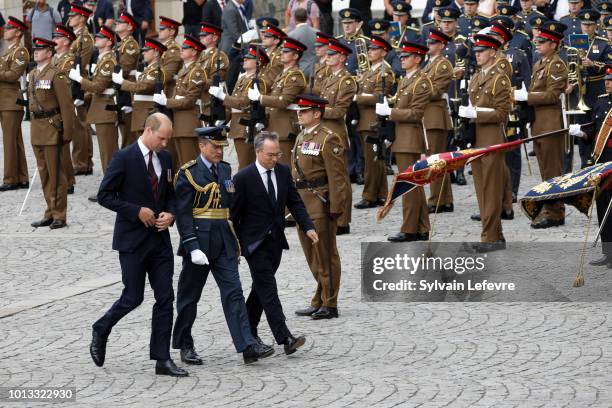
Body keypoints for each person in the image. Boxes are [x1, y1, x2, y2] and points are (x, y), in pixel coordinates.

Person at [91, 113, 187, 377]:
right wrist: (135, 211)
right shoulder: (124, 158)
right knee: (133, 297)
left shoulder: (165, 158)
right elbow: (105, 195)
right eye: (162, 138)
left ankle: (162, 358)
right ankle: (102, 327)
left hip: (159, 241)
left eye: (168, 139)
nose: (165, 144)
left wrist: (171, 213)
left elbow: (171, 194)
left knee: (165, 297)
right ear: (148, 130)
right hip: (132, 240)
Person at [172, 126, 275, 365]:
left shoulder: (226, 169)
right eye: (215, 147)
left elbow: (231, 207)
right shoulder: (188, 173)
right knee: (189, 297)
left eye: (221, 147)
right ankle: (185, 344)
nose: (219, 151)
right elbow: (184, 213)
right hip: (200, 240)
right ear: (201, 146)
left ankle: (247, 345)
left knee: (234, 293)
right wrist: (191, 245)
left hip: (224, 240)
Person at [231, 131, 316, 353]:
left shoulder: (283, 172)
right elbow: (233, 215)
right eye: (270, 155)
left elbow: (295, 202)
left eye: (277, 154)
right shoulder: (243, 178)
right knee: (269, 288)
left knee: (260, 288)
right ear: (258, 152)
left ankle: (248, 329)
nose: (275, 158)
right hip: (253, 244)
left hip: (275, 241)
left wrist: (308, 227)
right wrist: (239, 244)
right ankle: (285, 338)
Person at [291, 94, 349, 319]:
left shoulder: (328, 138)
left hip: (320, 202)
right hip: (302, 202)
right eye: (299, 110)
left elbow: (337, 177)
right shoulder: (301, 136)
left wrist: (336, 207)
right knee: (311, 255)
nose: (300, 113)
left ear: (317, 113)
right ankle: (320, 298)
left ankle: (330, 303)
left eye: (304, 111)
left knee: (324, 254)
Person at [458, 34, 511, 252]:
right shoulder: (476, 77)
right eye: (476, 51)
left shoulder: (500, 79)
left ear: (493, 53)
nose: (477, 55)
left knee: (491, 188)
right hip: (476, 138)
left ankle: (490, 237)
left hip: (492, 138)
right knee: (481, 188)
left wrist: (476, 112)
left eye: (482, 51)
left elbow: (502, 113)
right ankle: (494, 236)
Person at [376, 42, 432, 243]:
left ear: (418, 59)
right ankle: (423, 227)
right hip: (402, 137)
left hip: (410, 139)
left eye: (406, 56)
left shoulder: (421, 82)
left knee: (408, 185)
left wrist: (391, 112)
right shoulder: (405, 80)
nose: (402, 59)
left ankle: (409, 229)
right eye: (401, 57)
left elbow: (416, 113)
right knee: (413, 185)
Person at [515, 24, 568, 229]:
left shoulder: (556, 64)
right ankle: (548, 208)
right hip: (539, 123)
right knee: (545, 170)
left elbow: (552, 95)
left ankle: (555, 213)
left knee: (552, 171)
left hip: (550, 123)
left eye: (542, 41)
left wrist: (527, 96)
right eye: (537, 41)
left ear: (554, 44)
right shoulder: (540, 63)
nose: (537, 44)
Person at [28, 37, 75, 230]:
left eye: (41, 49)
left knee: (57, 174)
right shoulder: (32, 74)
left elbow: (66, 105)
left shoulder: (57, 75)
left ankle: (59, 214)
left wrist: (68, 132)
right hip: (37, 128)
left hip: (52, 127)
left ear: (49, 53)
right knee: (44, 174)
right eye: (35, 49)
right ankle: (49, 210)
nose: (36, 52)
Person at [69, 24, 119, 204]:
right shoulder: (102, 59)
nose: (96, 39)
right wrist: (83, 97)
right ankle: (110, 189)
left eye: (100, 37)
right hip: (100, 109)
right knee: (106, 154)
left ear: (108, 42)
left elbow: (99, 86)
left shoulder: (108, 61)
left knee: (109, 154)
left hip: (106, 110)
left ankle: (111, 191)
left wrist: (80, 80)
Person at [249, 35, 307, 166]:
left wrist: (260, 97)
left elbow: (283, 101)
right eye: (282, 50)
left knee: (284, 167)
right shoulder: (283, 74)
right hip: (276, 126)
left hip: (285, 128)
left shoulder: (295, 76)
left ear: (295, 56)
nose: (282, 53)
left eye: (286, 51)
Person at [318, 38, 357, 235]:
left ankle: (343, 220)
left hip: (336, 134)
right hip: (325, 132)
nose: (327, 57)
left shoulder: (346, 80)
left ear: (342, 58)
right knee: (328, 176)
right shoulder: (327, 78)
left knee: (339, 178)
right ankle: (332, 215)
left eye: (332, 55)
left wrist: (317, 111)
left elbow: (339, 111)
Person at [210, 44, 270, 170]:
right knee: (242, 164)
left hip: (247, 127)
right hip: (237, 127)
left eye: (249, 58)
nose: (245, 59)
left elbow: (244, 103)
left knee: (246, 165)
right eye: (245, 57)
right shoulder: (242, 79)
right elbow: (233, 104)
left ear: (258, 63)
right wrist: (224, 118)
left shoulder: (258, 81)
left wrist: (222, 96)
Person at [153, 35, 207, 169]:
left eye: (185, 48)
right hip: (179, 123)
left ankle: (195, 190)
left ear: (194, 52)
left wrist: (167, 101)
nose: (181, 50)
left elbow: (189, 100)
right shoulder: (184, 70)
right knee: (182, 165)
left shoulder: (197, 72)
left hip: (188, 123)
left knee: (191, 164)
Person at [354, 35, 394, 210]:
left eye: (374, 49)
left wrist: (358, 96)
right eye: (369, 49)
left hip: (373, 120)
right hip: (365, 119)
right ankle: (381, 194)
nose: (370, 52)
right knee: (373, 158)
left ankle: (370, 195)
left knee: (372, 160)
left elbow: (380, 96)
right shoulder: (371, 70)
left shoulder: (385, 71)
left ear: (384, 52)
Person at [423, 29, 454, 214]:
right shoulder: (429, 64)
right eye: (429, 42)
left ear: (442, 45)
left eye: (433, 43)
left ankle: (437, 200)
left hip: (436, 116)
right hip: (429, 115)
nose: (429, 45)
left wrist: (416, 91)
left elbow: (435, 92)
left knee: (436, 160)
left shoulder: (443, 65)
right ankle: (445, 199)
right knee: (437, 160)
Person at [112, 37, 166, 134]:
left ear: (156, 52)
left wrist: (121, 81)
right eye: (143, 51)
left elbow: (142, 87)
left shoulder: (156, 71)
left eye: (147, 51)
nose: (143, 53)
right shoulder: (148, 70)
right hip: (141, 114)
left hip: (147, 114)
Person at [0, 17, 30, 192]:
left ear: (18, 32)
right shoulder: (8, 51)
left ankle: (10, 178)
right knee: (15, 139)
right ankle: (22, 177)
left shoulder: (20, 52)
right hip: (5, 100)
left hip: (11, 101)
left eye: (10, 28)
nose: (6, 30)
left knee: (10, 141)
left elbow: (12, 76)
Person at [588, 66, 612, 267]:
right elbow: (594, 131)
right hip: (602, 162)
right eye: (606, 79)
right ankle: (608, 252)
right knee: (603, 205)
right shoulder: (601, 102)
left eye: (611, 80)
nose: (607, 82)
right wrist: (581, 133)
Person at [67, 3, 95, 176]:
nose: (70, 18)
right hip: (73, 81)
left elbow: (80, 64)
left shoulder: (85, 39)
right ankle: (85, 161)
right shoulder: (76, 37)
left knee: (79, 124)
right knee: (81, 124)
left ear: (82, 18)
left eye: (73, 16)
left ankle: (81, 162)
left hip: (78, 84)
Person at [51, 25, 77, 195]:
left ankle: (68, 180)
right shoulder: (54, 59)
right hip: (53, 102)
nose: (53, 40)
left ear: (66, 41)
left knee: (63, 143)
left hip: (64, 102)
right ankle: (60, 177)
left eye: (57, 37)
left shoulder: (69, 59)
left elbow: (63, 80)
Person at [114, 11, 140, 148]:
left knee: (128, 134)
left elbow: (124, 68)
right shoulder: (120, 44)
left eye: (121, 22)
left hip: (126, 91)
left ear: (129, 27)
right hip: (120, 90)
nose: (117, 23)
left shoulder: (130, 45)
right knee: (123, 129)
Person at [288, 8, 318, 78]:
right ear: (307, 18)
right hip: (316, 69)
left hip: (299, 71)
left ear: (294, 19)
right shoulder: (317, 32)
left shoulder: (291, 35)